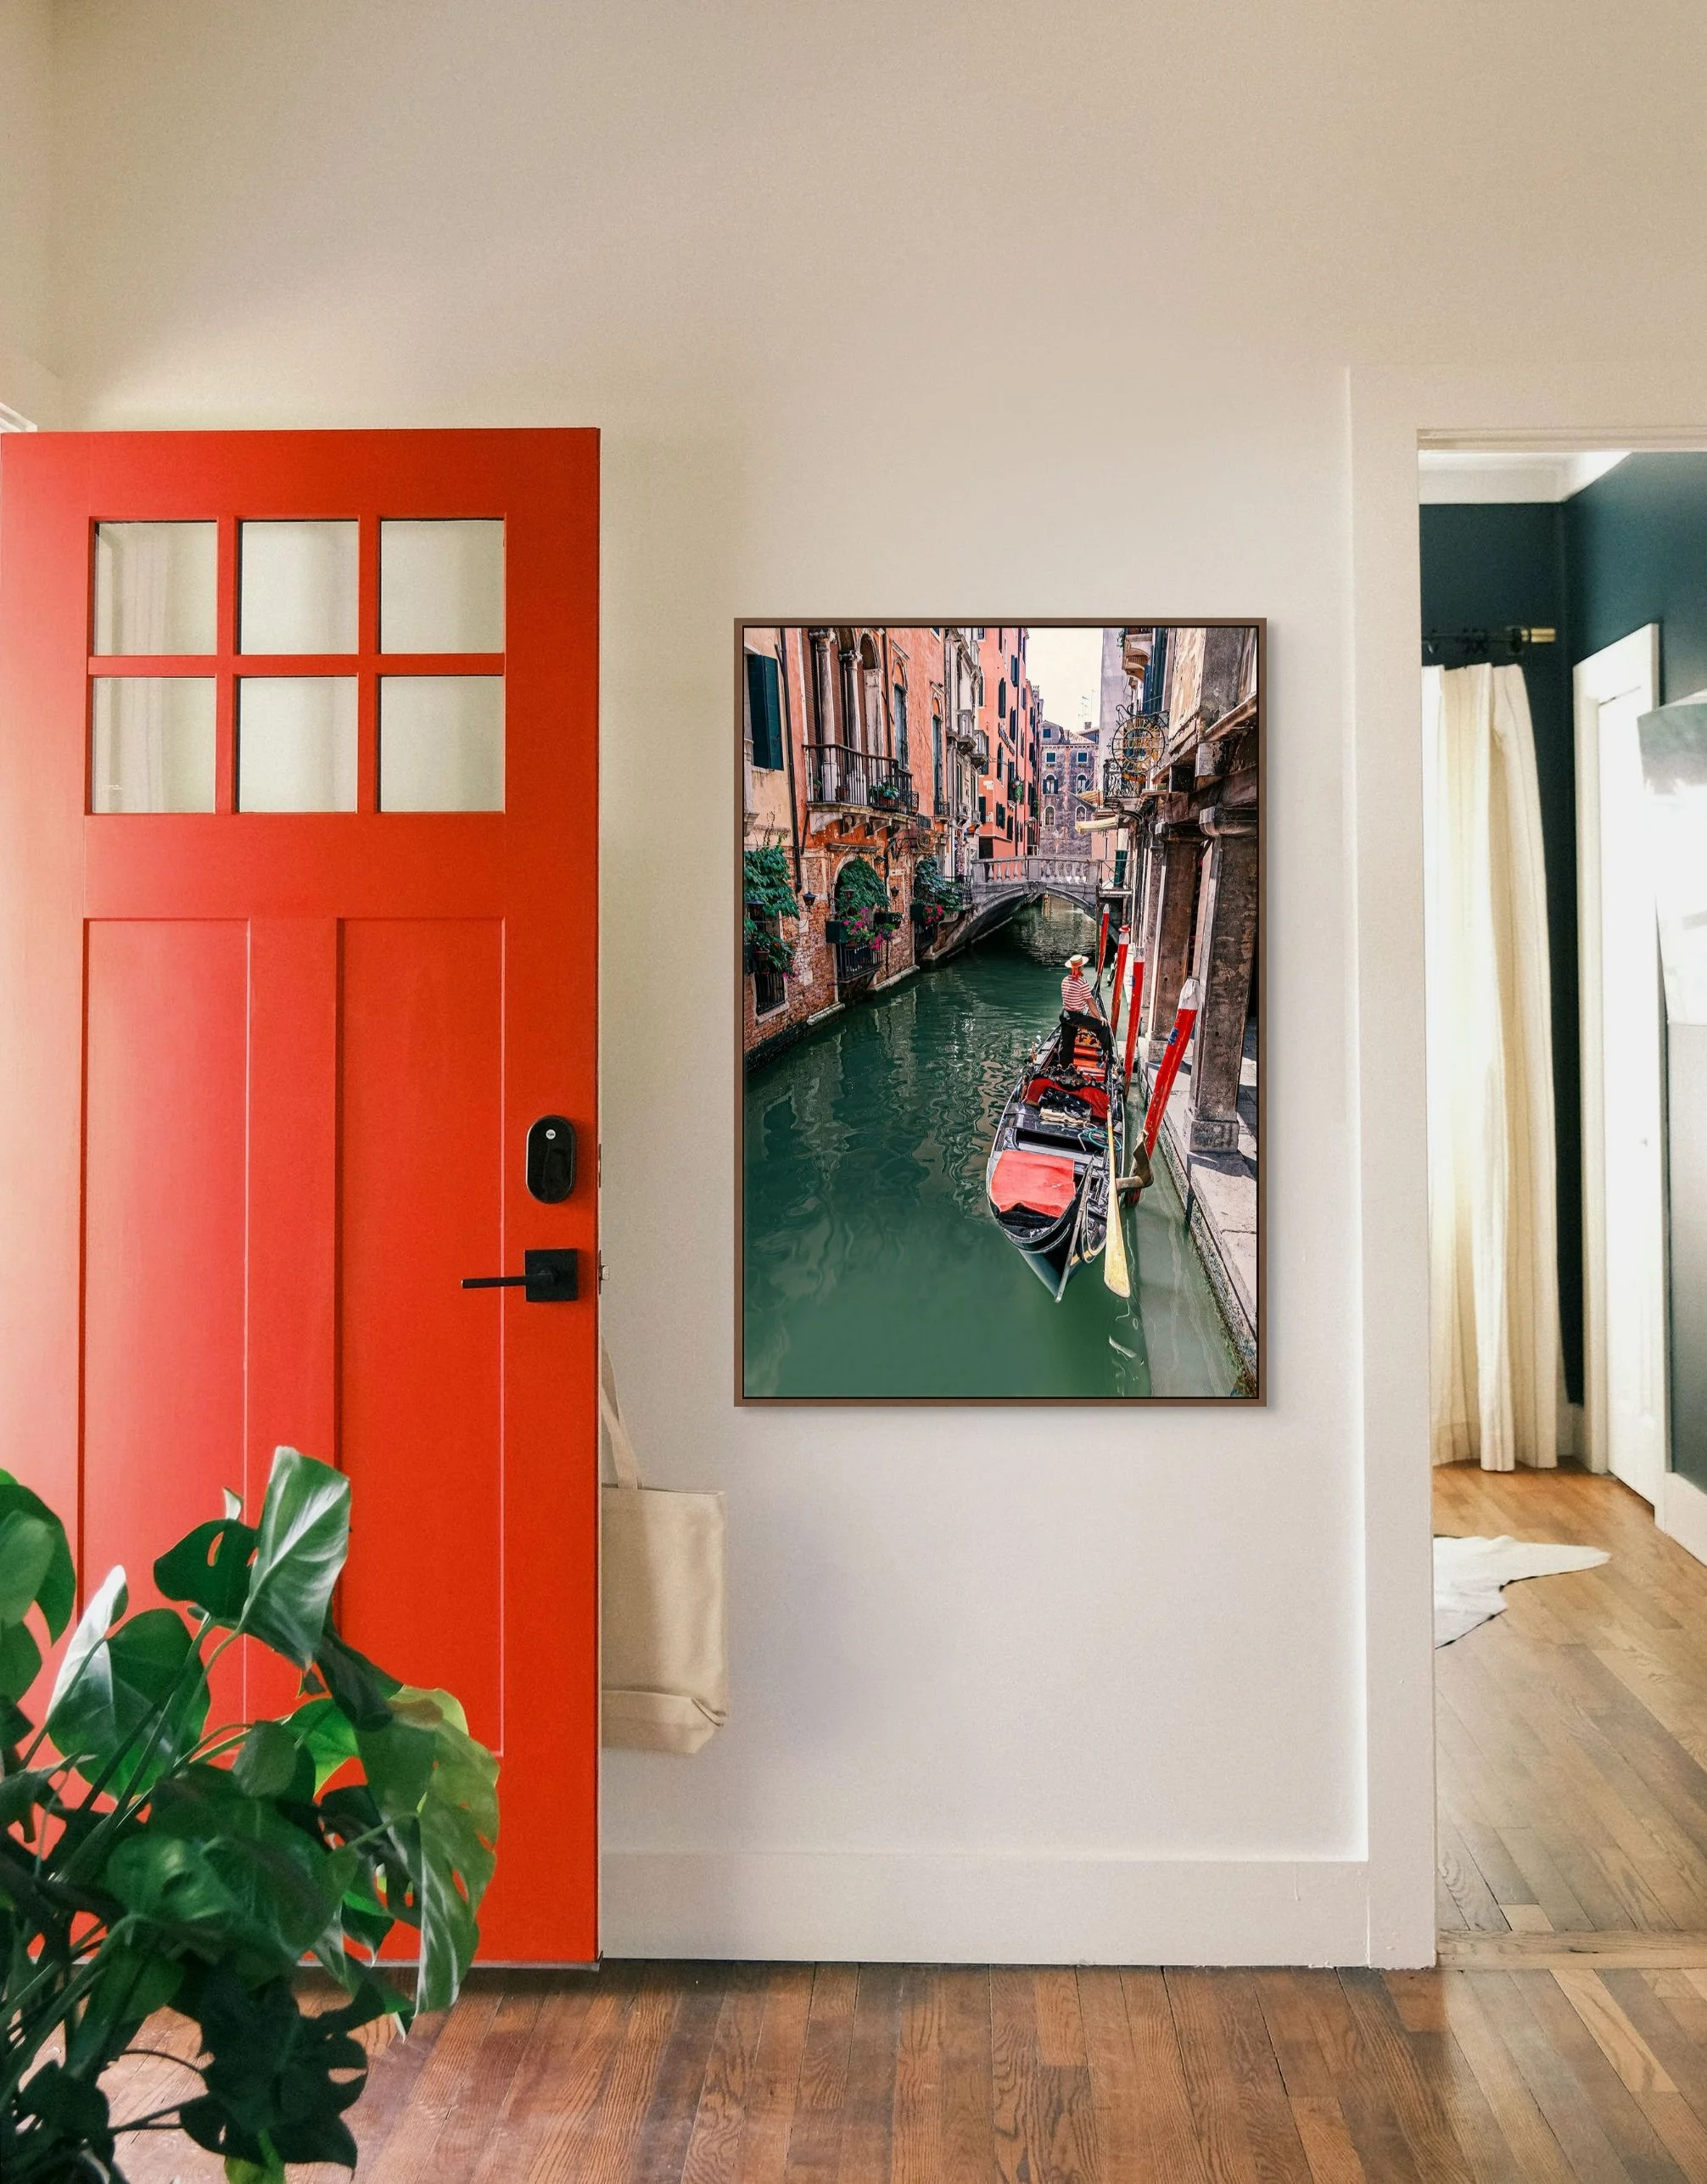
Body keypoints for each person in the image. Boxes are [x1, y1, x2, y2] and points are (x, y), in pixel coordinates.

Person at [1061, 952, 1103, 1017]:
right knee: (1103, 1026)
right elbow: (1090, 1002)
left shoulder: (1064, 980)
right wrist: (1100, 1018)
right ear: (1081, 967)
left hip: (1064, 1015)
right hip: (1076, 1017)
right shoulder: (1082, 982)